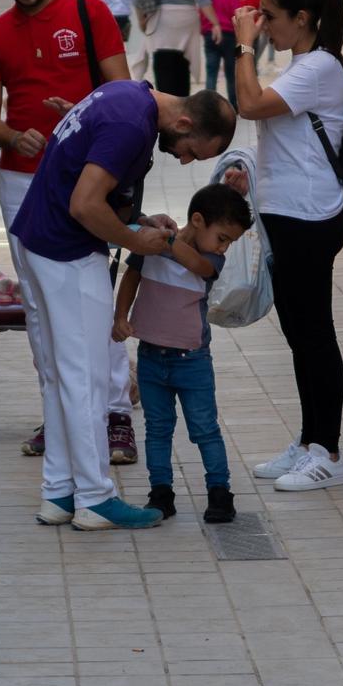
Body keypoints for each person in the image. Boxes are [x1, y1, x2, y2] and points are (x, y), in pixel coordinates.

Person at [10, 81, 237, 530]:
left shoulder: (128, 97)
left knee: (61, 375)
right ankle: (94, 497)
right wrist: (135, 240)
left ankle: (59, 492)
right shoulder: (131, 124)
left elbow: (95, 186)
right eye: (191, 150)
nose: (185, 159)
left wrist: (138, 219)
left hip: (41, 239)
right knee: (87, 378)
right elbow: (84, 204)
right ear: (185, 122)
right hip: (66, 251)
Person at [0, 0, 140, 461]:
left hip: (86, 175)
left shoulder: (89, 14)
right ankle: (60, 417)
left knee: (95, 297)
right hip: (20, 178)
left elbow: (123, 92)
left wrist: (81, 118)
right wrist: (10, 134)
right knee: (42, 308)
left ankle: (115, 416)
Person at [232, 0, 343, 493]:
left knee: (315, 336)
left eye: (270, 15)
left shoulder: (321, 67)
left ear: (302, 18)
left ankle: (328, 452)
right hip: (287, 217)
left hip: (310, 218)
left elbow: (249, 103)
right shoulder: (300, 65)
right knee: (299, 338)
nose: (261, 23)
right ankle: (308, 442)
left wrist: (242, 48)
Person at [114, 182, 253, 525]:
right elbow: (132, 277)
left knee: (204, 428)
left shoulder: (209, 258)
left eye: (230, 243)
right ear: (198, 220)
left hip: (192, 361)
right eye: (223, 237)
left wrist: (167, 240)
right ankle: (161, 491)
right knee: (158, 429)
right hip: (151, 357)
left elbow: (198, 266)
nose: (225, 248)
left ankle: (219, 492)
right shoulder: (151, 247)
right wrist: (120, 316)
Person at [204, 0, 240, 102]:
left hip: (209, 35)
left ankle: (208, 104)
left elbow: (201, 13)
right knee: (231, 73)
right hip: (228, 36)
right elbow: (236, 16)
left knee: (211, 73)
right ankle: (234, 104)